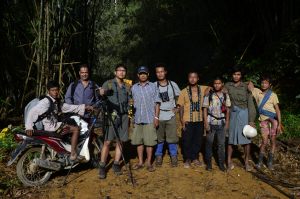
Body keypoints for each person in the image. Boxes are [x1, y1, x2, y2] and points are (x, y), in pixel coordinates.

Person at [25, 81, 93, 161]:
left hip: (53, 125)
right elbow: (32, 112)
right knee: (76, 129)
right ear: (48, 91)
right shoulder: (46, 102)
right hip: (52, 128)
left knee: (68, 124)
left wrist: (84, 107)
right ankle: (73, 153)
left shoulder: (55, 101)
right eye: (53, 90)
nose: (55, 92)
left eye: (56, 90)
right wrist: (29, 127)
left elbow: (68, 107)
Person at [98, 64, 131, 179]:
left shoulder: (127, 86)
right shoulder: (109, 83)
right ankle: (102, 165)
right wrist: (101, 93)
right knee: (107, 141)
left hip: (124, 116)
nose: (121, 72)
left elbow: (130, 102)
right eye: (119, 70)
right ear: (115, 72)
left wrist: (130, 116)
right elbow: (102, 94)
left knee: (121, 141)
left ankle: (116, 163)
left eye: (123, 70)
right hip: (111, 116)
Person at [224, 65, 256, 171]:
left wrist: (251, 120)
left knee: (246, 139)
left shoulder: (246, 86)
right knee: (231, 138)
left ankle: (246, 162)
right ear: (231, 75)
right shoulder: (228, 85)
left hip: (244, 114)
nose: (236, 76)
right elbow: (218, 88)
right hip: (232, 114)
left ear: (241, 76)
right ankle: (228, 161)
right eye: (234, 74)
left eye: (238, 74)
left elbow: (250, 104)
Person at [248, 76, 282, 170]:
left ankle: (270, 162)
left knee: (273, 141)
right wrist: (249, 81)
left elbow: (278, 110)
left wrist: (279, 124)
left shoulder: (273, 95)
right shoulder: (256, 92)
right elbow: (249, 85)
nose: (264, 84)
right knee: (264, 141)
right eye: (262, 83)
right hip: (263, 121)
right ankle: (259, 162)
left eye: (266, 83)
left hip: (273, 121)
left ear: (269, 85)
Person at [131, 66, 161, 172]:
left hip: (150, 118)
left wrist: (156, 117)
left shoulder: (153, 86)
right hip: (138, 118)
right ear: (138, 75)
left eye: (144, 73)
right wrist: (132, 119)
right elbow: (132, 104)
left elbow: (157, 103)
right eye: (141, 73)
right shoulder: (134, 87)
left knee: (149, 142)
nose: (143, 75)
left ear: (148, 75)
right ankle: (140, 162)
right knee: (139, 142)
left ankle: (148, 162)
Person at [177, 71, 208, 168]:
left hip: (199, 119)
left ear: (198, 78)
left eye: (195, 77)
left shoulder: (203, 89)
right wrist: (181, 120)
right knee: (187, 140)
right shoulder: (183, 91)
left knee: (198, 140)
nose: (192, 79)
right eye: (190, 77)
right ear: (188, 78)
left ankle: (195, 157)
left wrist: (210, 89)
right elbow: (181, 106)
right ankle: (187, 159)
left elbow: (215, 87)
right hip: (187, 120)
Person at [154, 64, 181, 167]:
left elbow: (180, 96)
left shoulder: (172, 84)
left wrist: (177, 108)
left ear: (165, 72)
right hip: (158, 114)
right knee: (159, 137)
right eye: (158, 72)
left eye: (162, 71)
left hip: (170, 114)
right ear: (156, 73)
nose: (160, 74)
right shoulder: (154, 85)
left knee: (172, 136)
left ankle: (173, 155)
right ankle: (158, 155)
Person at [203, 77, 231, 171]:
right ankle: (209, 164)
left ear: (222, 84)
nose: (217, 85)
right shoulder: (209, 94)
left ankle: (221, 164)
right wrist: (206, 123)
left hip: (221, 123)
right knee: (209, 143)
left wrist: (227, 122)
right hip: (210, 121)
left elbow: (228, 109)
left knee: (221, 145)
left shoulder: (225, 94)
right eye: (215, 83)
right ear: (213, 84)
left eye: (219, 83)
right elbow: (205, 109)